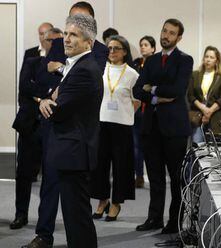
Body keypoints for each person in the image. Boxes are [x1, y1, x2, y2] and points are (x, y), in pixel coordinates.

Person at [22, 3, 106, 248]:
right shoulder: (79, 65)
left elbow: (58, 111)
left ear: (88, 42)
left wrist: (46, 102)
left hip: (74, 150)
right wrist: (50, 97)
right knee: (75, 217)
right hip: (70, 148)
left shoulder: (84, 69)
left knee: (77, 218)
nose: (65, 40)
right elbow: (55, 94)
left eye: (73, 35)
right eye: (66, 33)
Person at [133, 18, 193, 234]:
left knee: (176, 178)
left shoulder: (185, 60)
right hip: (151, 126)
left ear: (179, 37)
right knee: (155, 177)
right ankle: (154, 218)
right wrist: (157, 97)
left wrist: (153, 88)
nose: (166, 35)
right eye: (164, 31)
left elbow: (177, 90)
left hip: (174, 129)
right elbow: (137, 90)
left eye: (171, 33)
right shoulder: (150, 61)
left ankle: (175, 221)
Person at [10, 28, 63, 230]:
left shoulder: (64, 67)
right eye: (54, 41)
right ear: (47, 41)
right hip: (30, 124)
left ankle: (44, 220)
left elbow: (63, 92)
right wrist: (46, 96)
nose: (58, 45)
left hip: (52, 126)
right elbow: (24, 87)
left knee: (49, 176)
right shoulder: (32, 61)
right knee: (24, 172)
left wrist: (40, 94)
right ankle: (20, 214)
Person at [90, 35, 138, 221]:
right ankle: (103, 200)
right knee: (99, 166)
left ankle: (116, 203)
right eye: (109, 48)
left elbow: (137, 101)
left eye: (116, 48)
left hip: (122, 125)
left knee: (121, 166)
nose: (112, 51)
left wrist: (123, 114)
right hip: (100, 123)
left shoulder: (132, 74)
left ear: (125, 51)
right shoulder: (100, 69)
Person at [187, 46, 221, 143]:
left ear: (216, 61)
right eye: (206, 57)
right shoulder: (194, 75)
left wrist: (209, 112)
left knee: (214, 151)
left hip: (215, 118)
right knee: (197, 147)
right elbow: (190, 96)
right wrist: (203, 109)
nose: (208, 60)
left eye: (211, 57)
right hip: (197, 117)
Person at [132, 35, 156, 188]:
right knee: (136, 145)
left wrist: (146, 88)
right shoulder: (136, 64)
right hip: (136, 109)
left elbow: (153, 86)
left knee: (151, 146)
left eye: (146, 45)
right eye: (141, 45)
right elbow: (136, 87)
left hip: (152, 109)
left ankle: (153, 176)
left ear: (153, 48)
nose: (143, 47)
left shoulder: (158, 63)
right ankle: (138, 175)